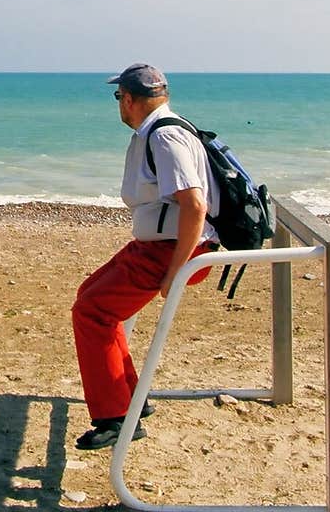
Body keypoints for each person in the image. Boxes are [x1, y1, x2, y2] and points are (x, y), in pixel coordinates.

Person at [71, 63, 220, 451]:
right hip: (157, 245)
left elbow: (194, 204)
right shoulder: (160, 129)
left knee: (93, 311)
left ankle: (116, 417)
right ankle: (130, 399)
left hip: (171, 249)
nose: (118, 104)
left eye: (118, 96)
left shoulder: (165, 137)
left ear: (131, 99)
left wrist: (177, 270)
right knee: (90, 294)